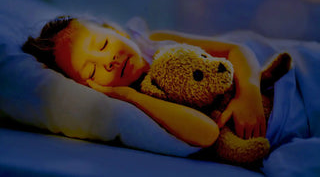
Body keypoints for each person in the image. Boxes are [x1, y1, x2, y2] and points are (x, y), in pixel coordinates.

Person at [22, 15, 265, 147]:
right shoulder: (142, 100)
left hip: (276, 91)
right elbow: (207, 133)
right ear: (88, 87)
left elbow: (236, 50)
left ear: (117, 32)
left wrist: (249, 93)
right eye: (92, 71)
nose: (109, 60)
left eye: (103, 44)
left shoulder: (156, 41)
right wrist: (129, 96)